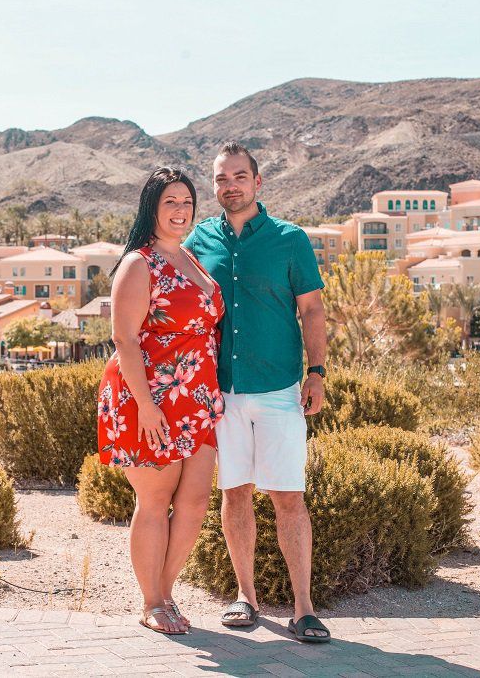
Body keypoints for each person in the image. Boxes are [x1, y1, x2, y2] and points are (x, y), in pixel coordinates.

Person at [184, 142, 331, 643]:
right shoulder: (198, 240)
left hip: (279, 389)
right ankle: (245, 597)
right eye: (222, 179)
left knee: (289, 495)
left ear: (258, 182)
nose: (231, 185)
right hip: (221, 392)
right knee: (235, 491)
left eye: (239, 176)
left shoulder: (290, 240)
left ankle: (304, 608)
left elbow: (311, 310)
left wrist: (318, 372)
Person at [96, 167, 225, 635]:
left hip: (197, 400)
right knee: (154, 501)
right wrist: (147, 406)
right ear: (152, 206)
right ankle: (152, 601)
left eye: (187, 202)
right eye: (170, 201)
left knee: (193, 504)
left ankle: (165, 592)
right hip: (147, 397)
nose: (180, 210)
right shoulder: (139, 263)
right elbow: (124, 339)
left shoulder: (192, 258)